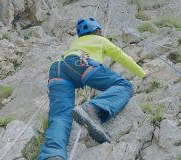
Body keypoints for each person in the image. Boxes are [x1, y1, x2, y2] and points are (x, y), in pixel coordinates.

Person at [38, 17, 147, 160]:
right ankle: (93, 109)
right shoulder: (100, 40)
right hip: (81, 63)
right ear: (98, 30)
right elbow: (121, 56)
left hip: (57, 68)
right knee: (124, 86)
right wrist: (143, 73)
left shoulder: (75, 42)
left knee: (60, 116)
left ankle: (52, 155)